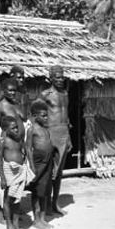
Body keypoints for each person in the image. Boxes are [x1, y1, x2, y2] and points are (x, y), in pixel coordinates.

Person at [0, 77, 27, 223]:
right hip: (7, 146)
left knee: (17, 183)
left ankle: (12, 214)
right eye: (10, 90)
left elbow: (24, 118)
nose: (13, 93)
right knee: (5, 181)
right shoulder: (0, 106)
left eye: (15, 90)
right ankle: (3, 215)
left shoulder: (17, 104)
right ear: (4, 91)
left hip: (19, 145)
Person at [40, 65, 72, 215]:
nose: (61, 79)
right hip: (50, 132)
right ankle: (45, 204)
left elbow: (67, 117)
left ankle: (54, 203)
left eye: (62, 76)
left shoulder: (65, 94)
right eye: (57, 77)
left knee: (59, 172)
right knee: (48, 171)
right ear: (51, 78)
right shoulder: (45, 94)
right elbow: (36, 115)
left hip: (63, 133)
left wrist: (69, 138)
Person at [0, 115, 35, 229]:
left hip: (19, 171)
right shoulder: (3, 142)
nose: (16, 130)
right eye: (13, 128)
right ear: (5, 130)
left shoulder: (19, 139)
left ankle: (16, 225)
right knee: (8, 199)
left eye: (17, 128)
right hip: (9, 171)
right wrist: (2, 177)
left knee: (17, 198)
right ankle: (9, 225)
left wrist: (27, 164)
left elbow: (26, 150)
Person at [26, 100, 55, 229]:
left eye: (47, 115)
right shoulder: (32, 130)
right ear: (35, 116)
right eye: (43, 116)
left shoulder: (45, 130)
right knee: (37, 191)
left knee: (45, 190)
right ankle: (36, 220)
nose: (46, 118)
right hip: (38, 164)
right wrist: (32, 165)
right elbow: (28, 149)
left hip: (48, 163)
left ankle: (42, 218)